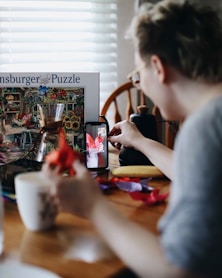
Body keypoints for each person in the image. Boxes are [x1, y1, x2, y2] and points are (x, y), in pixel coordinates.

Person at [42, 1, 222, 277]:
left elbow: (177, 270)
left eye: (138, 74)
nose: (140, 84)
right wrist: (139, 141)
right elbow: (198, 171)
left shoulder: (205, 128)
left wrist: (93, 206)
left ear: (158, 67)